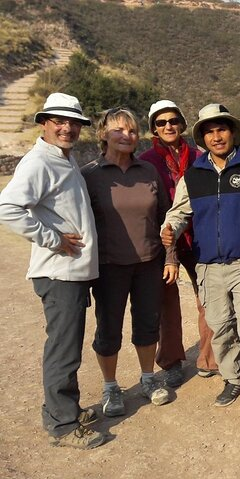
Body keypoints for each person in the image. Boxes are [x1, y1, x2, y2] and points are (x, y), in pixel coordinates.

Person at [162, 103, 240, 428]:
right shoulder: (193, 176)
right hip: (208, 268)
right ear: (202, 136)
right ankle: (233, 378)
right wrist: (170, 226)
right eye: (210, 131)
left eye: (222, 129)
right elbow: (179, 212)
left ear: (232, 132)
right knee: (220, 327)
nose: (217, 136)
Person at [0, 93, 105, 449]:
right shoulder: (39, 162)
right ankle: (62, 425)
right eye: (60, 121)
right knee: (64, 348)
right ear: (44, 122)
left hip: (72, 271)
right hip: (59, 271)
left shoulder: (64, 158)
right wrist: (53, 239)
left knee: (68, 345)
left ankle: (66, 410)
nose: (67, 127)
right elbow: (8, 207)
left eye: (74, 122)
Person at [82, 108, 177, 418]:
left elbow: (166, 217)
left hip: (149, 261)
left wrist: (170, 256)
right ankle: (110, 387)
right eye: (118, 130)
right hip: (109, 266)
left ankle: (148, 379)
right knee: (109, 328)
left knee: (147, 324)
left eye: (132, 131)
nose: (126, 136)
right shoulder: (90, 175)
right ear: (102, 135)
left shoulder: (148, 171)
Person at [138, 100, 219, 385]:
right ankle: (171, 360)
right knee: (167, 303)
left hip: (198, 234)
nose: (168, 126)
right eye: (161, 123)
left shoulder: (198, 156)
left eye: (173, 121)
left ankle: (210, 357)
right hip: (164, 238)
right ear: (153, 129)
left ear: (182, 124)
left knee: (208, 298)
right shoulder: (147, 162)